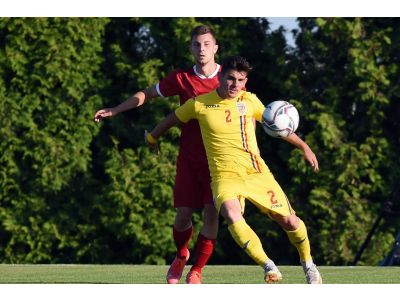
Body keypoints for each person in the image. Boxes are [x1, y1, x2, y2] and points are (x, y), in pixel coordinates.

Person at [145, 55, 323, 284]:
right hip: (224, 177)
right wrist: (152, 137)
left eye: (240, 80)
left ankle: (309, 265)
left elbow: (276, 124)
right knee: (230, 213)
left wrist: (304, 146)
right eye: (231, 79)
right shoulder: (199, 103)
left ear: (245, 81)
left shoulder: (250, 101)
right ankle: (268, 266)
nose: (235, 85)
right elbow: (171, 119)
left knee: (290, 222)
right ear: (220, 76)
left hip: (256, 172)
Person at [94, 25, 222, 284]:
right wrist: (116, 109)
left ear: (216, 48)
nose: (202, 49)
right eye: (197, 45)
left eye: (207, 44)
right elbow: (148, 94)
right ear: (190, 48)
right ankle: (181, 255)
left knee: (212, 214)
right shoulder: (182, 77)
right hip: (189, 157)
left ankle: (196, 271)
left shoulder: (228, 79)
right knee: (183, 214)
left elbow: (247, 113)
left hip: (218, 160)